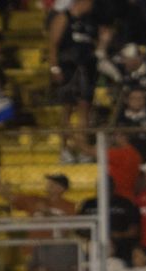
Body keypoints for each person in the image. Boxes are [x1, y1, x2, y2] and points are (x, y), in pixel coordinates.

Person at [48, 0, 98, 161]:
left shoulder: (91, 20)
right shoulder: (64, 17)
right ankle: (65, 148)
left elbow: (94, 43)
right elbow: (53, 44)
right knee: (67, 109)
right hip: (68, 68)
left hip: (87, 68)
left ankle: (82, 148)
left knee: (84, 108)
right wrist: (54, 68)